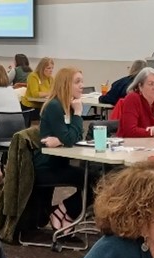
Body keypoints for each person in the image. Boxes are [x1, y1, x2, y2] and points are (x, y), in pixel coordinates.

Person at [35, 67, 95, 231]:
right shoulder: (55, 106)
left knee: (96, 179)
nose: (82, 86)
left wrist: (62, 139)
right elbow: (70, 138)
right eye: (77, 82)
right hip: (46, 166)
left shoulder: (66, 104)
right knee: (94, 181)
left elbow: (75, 137)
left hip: (59, 163)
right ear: (65, 84)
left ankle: (62, 212)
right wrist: (77, 114)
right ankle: (63, 212)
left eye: (82, 81)